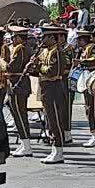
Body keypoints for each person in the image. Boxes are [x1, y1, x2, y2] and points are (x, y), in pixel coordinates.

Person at [36, 25, 69, 164]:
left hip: (54, 88)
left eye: (44, 37)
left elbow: (53, 72)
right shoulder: (45, 51)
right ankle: (54, 149)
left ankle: (59, 150)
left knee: (55, 120)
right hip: (46, 89)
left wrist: (39, 67)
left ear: (51, 37)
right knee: (50, 120)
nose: (42, 39)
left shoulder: (57, 52)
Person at [3, 26, 34, 158]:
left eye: (15, 37)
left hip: (18, 84)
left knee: (20, 115)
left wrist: (1, 61)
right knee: (16, 112)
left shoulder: (20, 49)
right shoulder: (20, 48)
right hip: (16, 84)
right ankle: (24, 142)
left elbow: (12, 67)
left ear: (21, 38)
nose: (12, 39)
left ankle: (27, 145)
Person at [74, 28, 95, 147]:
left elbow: (94, 60)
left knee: (94, 108)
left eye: (79, 40)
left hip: (94, 80)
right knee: (89, 108)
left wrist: (81, 61)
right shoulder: (83, 49)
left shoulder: (93, 48)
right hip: (86, 79)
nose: (78, 42)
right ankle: (94, 134)